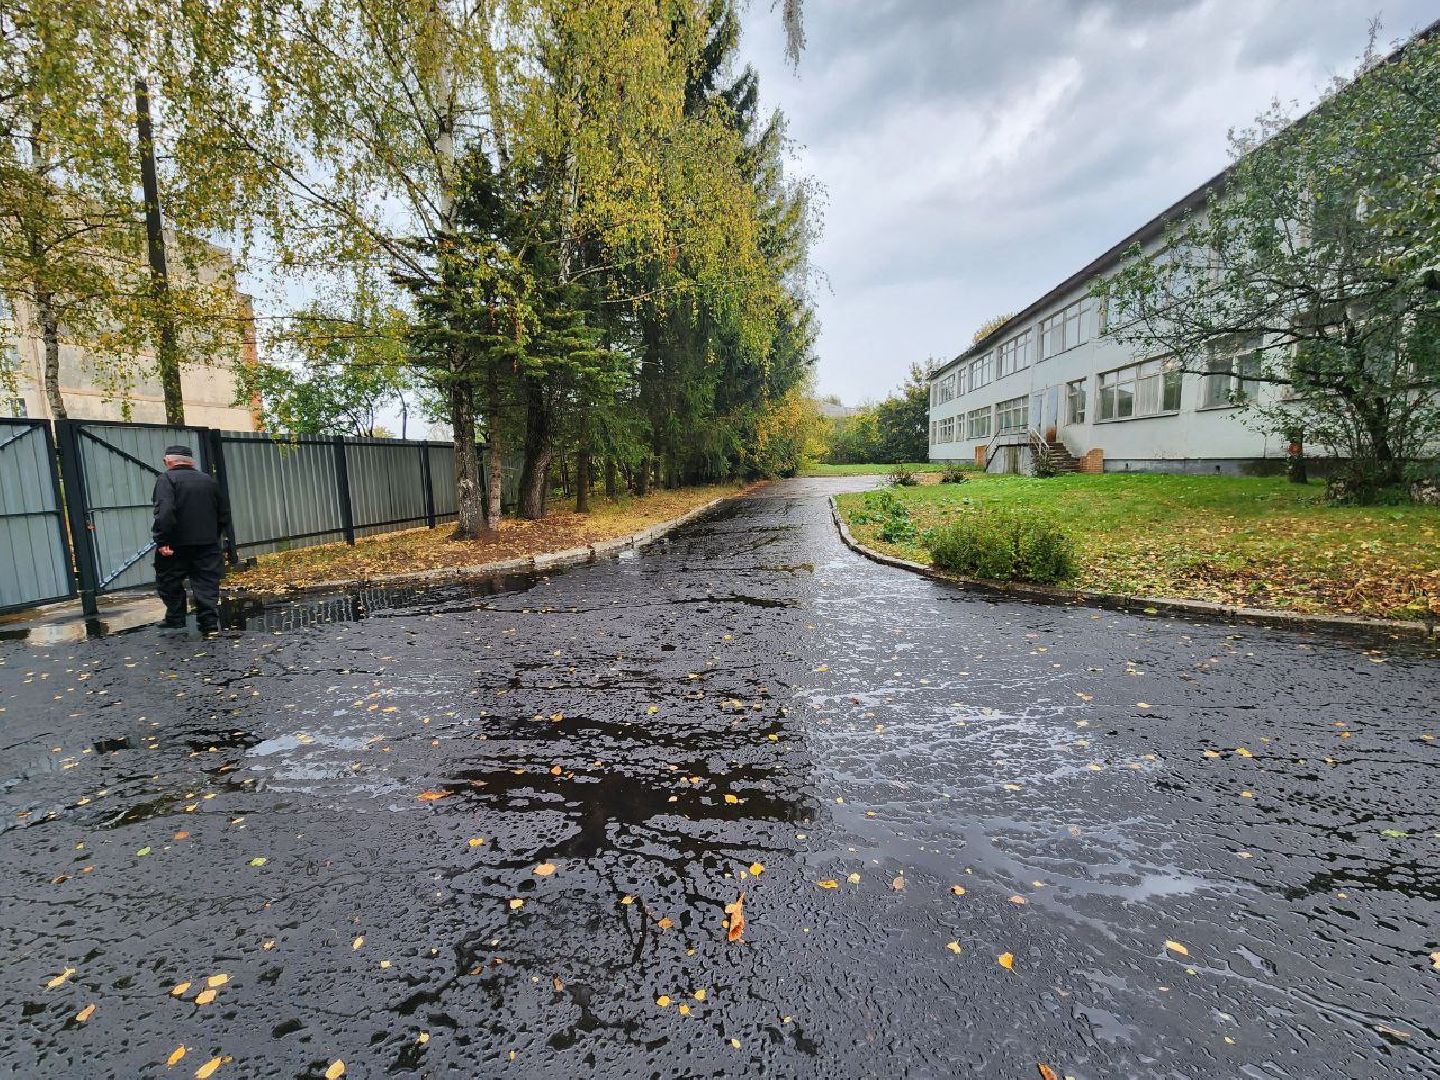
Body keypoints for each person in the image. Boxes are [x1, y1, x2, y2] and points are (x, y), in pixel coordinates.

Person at [152, 444, 232, 636]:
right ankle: (209, 622)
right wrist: (213, 535)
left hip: (175, 545)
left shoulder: (166, 479)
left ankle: (176, 617)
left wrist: (163, 540)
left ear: (168, 461)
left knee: (168, 580)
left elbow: (165, 512)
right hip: (207, 543)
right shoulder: (208, 480)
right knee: (206, 582)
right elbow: (223, 513)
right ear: (192, 462)